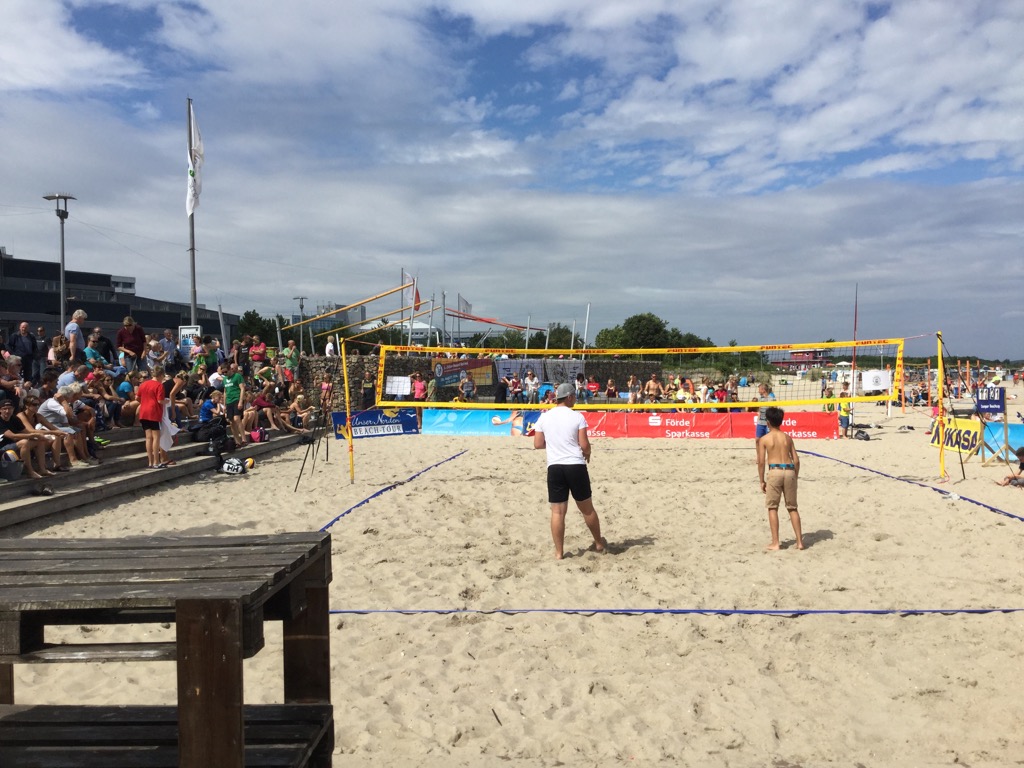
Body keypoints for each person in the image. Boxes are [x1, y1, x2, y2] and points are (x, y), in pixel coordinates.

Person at [533, 382, 607, 560]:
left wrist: (555, 445)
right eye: (574, 397)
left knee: (557, 512)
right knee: (587, 509)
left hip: (555, 467)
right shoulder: (577, 417)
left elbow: (537, 444)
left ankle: (559, 553)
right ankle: (598, 543)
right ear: (569, 397)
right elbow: (584, 445)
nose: (575, 400)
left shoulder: (544, 417)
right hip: (575, 465)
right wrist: (588, 453)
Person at [756, 406, 803, 551]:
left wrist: (761, 480)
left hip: (775, 470)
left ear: (768, 422)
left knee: (772, 507)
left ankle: (775, 542)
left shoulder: (764, 439)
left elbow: (761, 462)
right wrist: (795, 476)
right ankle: (799, 542)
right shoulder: (787, 438)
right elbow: (796, 460)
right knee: (792, 508)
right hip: (789, 470)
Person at [137, 365, 166, 468]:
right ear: (161, 375)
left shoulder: (143, 384)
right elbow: (160, 401)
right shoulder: (159, 385)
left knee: (148, 437)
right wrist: (167, 401)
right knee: (156, 437)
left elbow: (137, 397)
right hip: (153, 412)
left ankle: (150, 462)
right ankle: (156, 462)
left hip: (143, 412)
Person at [222, 362, 247, 447]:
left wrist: (241, 401)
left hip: (236, 399)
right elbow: (225, 392)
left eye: (226, 372)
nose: (224, 374)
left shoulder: (237, 376)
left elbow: (242, 388)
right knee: (231, 422)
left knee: (237, 419)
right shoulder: (224, 379)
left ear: (230, 369)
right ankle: (237, 441)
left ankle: (243, 439)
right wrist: (224, 405)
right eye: (223, 372)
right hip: (229, 401)